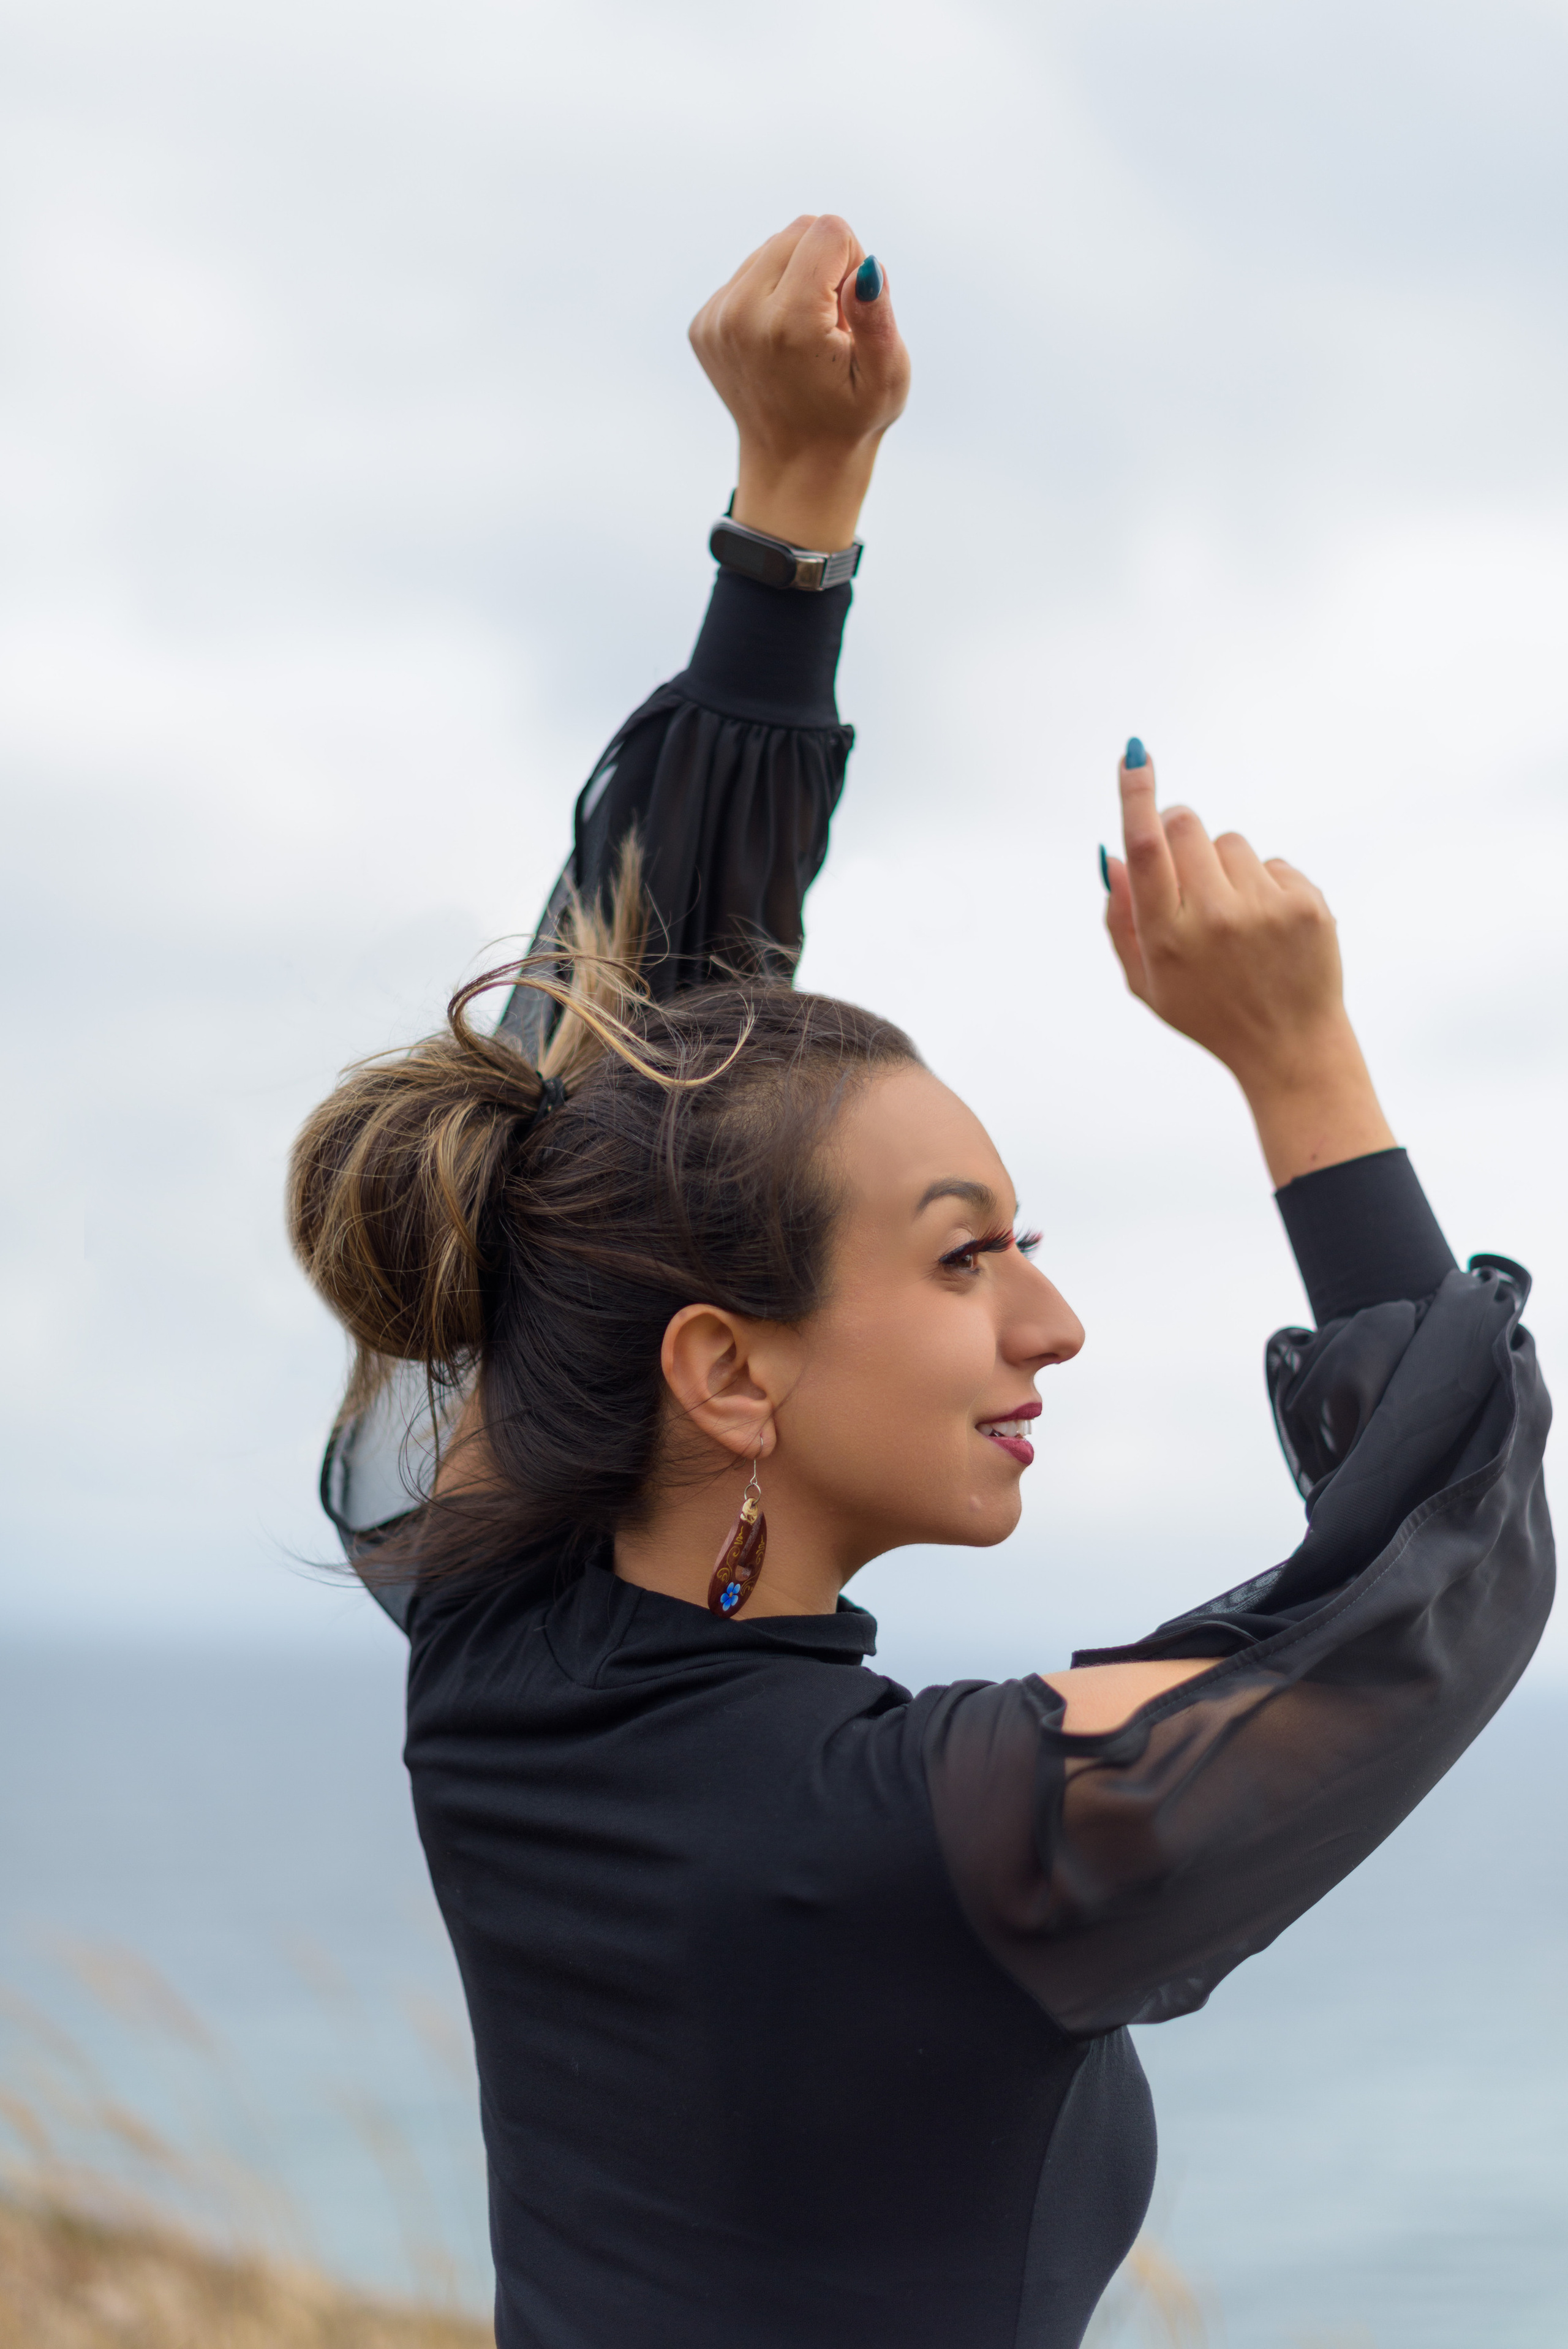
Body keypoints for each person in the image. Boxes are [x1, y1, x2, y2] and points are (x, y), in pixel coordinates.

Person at [287, 217, 1553, 2349]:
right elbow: (1437, 1588)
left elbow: (621, 1114)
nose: (1049, 1324)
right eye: (970, 1256)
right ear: (725, 1369)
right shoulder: (917, 1838)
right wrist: (1306, 1071)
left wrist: (796, 506)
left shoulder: (495, 1655)